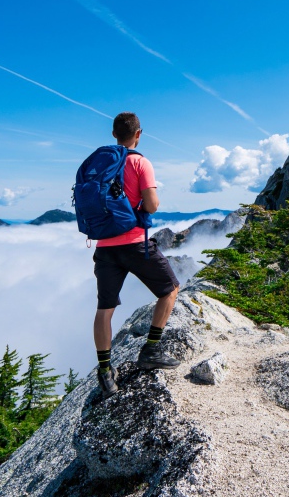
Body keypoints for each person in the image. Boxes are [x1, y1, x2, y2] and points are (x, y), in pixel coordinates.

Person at [92, 112, 181, 398]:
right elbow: (152, 206)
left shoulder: (100, 164)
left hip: (104, 247)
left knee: (104, 311)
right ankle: (151, 351)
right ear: (139, 134)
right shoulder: (141, 162)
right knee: (170, 290)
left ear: (114, 134)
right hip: (134, 243)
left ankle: (106, 373)